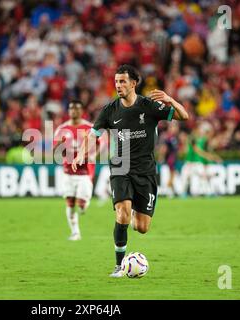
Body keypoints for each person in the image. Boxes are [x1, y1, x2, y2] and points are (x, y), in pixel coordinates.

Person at [72, 64, 189, 277]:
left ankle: (135, 210)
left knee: (142, 227)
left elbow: (184, 116)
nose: (118, 85)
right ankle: (118, 266)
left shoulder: (149, 106)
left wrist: (170, 100)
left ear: (134, 83)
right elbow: (92, 135)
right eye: (116, 82)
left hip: (146, 171)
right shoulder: (109, 110)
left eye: (123, 81)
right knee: (122, 213)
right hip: (120, 167)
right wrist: (81, 154)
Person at [54, 100, 96, 241]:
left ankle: (84, 203)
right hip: (68, 172)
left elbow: (100, 147)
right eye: (71, 108)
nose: (74, 111)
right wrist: (59, 147)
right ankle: (75, 232)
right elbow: (55, 151)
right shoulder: (61, 129)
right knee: (70, 203)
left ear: (81, 110)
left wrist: (89, 155)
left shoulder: (89, 127)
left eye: (77, 108)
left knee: (81, 205)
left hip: (85, 172)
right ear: (68, 111)